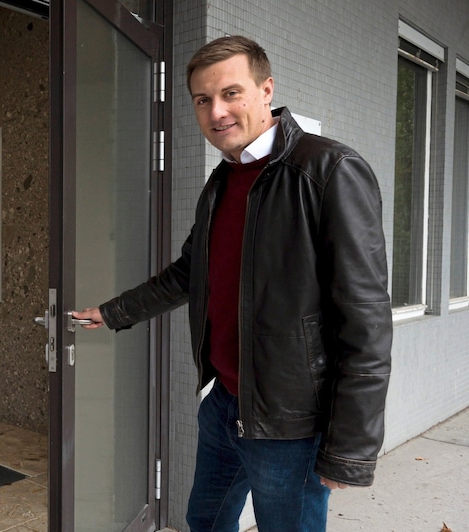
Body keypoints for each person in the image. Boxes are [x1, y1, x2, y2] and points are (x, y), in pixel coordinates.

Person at [73, 35, 392, 531]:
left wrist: (349, 449)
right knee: (205, 520)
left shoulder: (329, 170)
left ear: (267, 90)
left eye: (231, 93)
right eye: (203, 100)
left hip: (290, 424)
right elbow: (189, 271)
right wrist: (113, 312)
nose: (216, 111)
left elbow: (366, 319)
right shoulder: (222, 180)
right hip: (223, 404)